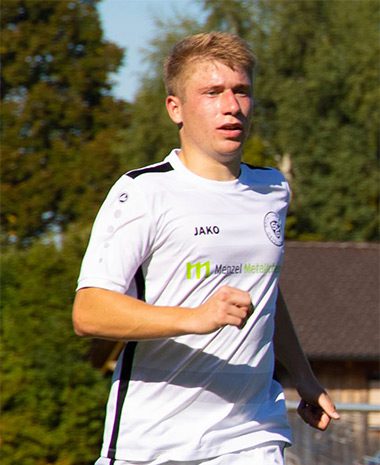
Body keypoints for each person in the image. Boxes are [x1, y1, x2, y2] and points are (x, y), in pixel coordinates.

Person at [73, 32, 339, 465]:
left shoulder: (272, 189)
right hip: (154, 442)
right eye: (212, 92)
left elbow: (265, 292)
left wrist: (303, 376)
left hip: (253, 433)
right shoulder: (142, 191)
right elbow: (89, 312)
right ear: (174, 108)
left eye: (241, 91)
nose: (231, 106)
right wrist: (195, 319)